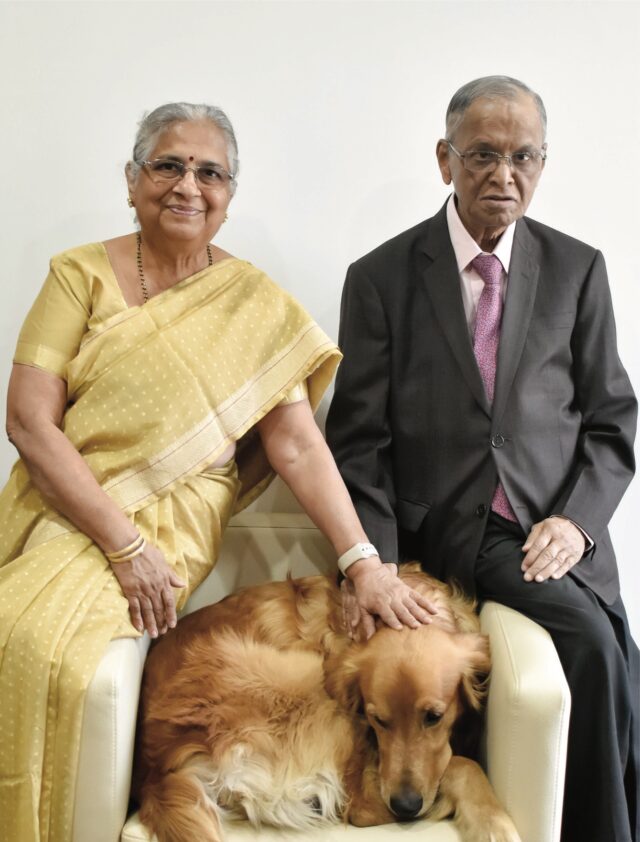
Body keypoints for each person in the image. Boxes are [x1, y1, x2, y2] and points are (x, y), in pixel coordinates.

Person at [0, 102, 435, 842]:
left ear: (230, 195)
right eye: (167, 165)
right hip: (73, 511)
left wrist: (363, 563)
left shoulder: (254, 305)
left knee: (48, 649)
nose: (187, 185)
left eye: (211, 172)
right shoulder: (77, 275)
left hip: (173, 523)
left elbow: (297, 446)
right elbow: (27, 421)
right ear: (133, 180)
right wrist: (121, 546)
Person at [326, 76, 639, 842]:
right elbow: (358, 441)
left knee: (620, 660)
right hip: (450, 536)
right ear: (445, 159)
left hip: (555, 531)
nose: (505, 175)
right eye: (484, 155)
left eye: (524, 157)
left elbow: (612, 420)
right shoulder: (380, 278)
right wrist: (377, 566)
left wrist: (577, 523)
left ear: (543, 162)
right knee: (596, 650)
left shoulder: (578, 269)